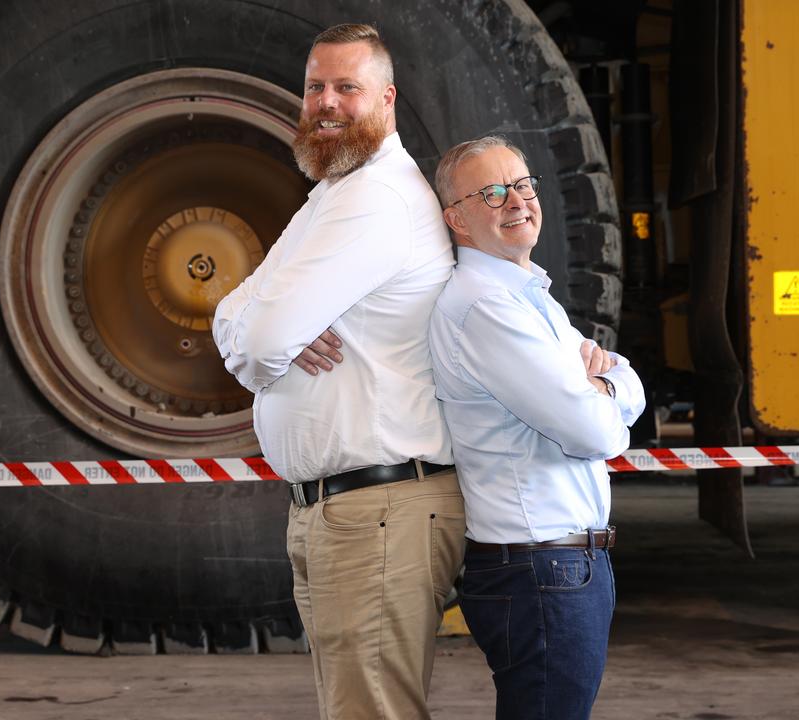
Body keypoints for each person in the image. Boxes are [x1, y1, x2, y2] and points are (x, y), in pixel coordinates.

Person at [212, 23, 464, 720]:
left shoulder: (373, 200)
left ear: (387, 97)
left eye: (346, 87)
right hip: (349, 510)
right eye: (315, 86)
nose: (326, 102)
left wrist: (261, 332)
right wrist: (258, 329)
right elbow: (234, 312)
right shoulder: (335, 192)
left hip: (375, 511)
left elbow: (256, 333)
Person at [428, 135, 646, 719]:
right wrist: (602, 391)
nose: (517, 201)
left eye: (523, 185)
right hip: (541, 571)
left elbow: (631, 382)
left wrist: (603, 386)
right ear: (457, 219)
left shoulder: (525, 295)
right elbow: (593, 434)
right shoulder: (487, 306)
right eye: (492, 192)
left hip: (559, 567)